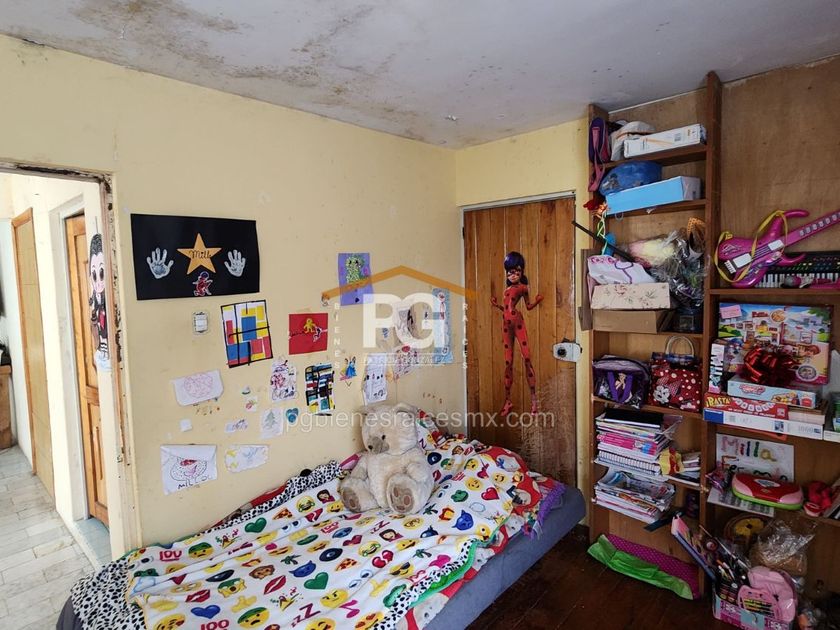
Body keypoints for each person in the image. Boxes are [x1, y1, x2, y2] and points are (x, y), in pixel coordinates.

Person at [490, 251, 543, 416]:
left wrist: (537, 301)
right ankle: (508, 400)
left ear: (522, 272)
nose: (513, 275)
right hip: (506, 324)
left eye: (517, 271)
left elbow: (528, 306)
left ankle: (534, 401)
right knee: (508, 362)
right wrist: (496, 305)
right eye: (510, 272)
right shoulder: (507, 289)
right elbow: (506, 308)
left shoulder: (523, 288)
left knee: (527, 358)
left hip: (518, 322)